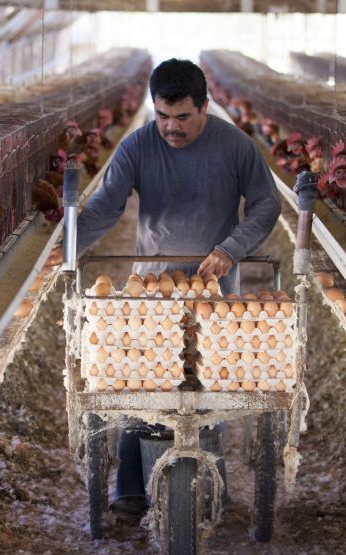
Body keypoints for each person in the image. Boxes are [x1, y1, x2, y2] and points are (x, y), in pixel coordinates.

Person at [71, 58, 283, 525]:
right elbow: (106, 209)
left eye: (183, 117)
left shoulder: (235, 146)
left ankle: (213, 487)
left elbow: (268, 205)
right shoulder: (137, 146)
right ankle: (130, 491)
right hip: (153, 287)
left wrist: (231, 249)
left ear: (205, 107)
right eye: (163, 116)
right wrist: (64, 248)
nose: (171, 127)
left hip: (215, 287)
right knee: (144, 378)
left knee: (207, 383)